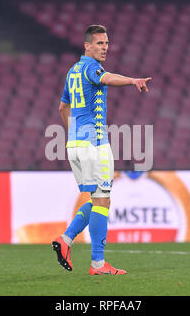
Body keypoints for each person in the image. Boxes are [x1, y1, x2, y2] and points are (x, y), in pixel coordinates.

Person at [52, 25, 152, 275]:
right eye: (99, 43)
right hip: (94, 144)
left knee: (98, 199)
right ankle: (97, 264)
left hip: (75, 144)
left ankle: (66, 240)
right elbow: (106, 78)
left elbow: (63, 108)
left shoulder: (72, 71)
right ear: (86, 45)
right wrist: (132, 80)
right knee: (102, 200)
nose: (105, 47)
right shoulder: (90, 68)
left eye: (106, 43)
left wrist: (72, 135)